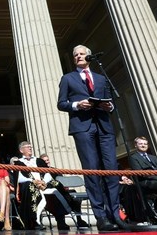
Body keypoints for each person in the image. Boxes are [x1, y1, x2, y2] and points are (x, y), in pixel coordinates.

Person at [57, 44, 121, 231]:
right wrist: (78, 104)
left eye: (82, 54)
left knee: (111, 171)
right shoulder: (67, 78)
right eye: (75, 54)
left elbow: (111, 101)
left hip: (104, 126)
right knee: (92, 171)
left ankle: (115, 214)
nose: (78, 56)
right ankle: (101, 217)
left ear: (89, 56)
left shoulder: (101, 78)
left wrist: (109, 107)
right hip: (83, 128)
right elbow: (61, 103)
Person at [38, 153, 89, 228]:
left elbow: (63, 182)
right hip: (50, 194)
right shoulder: (39, 172)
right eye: (44, 161)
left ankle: (79, 219)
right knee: (55, 196)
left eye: (47, 160)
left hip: (61, 190)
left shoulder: (55, 170)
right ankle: (61, 221)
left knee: (74, 193)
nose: (47, 162)